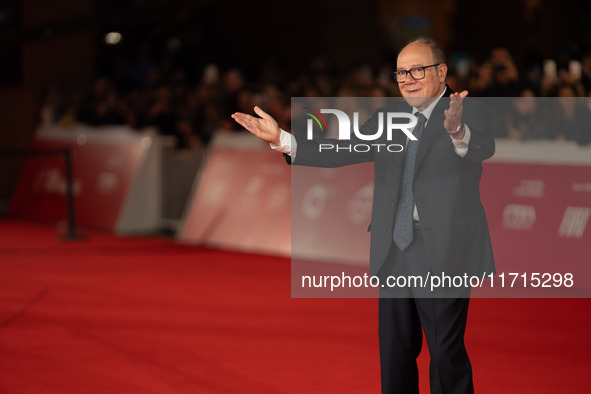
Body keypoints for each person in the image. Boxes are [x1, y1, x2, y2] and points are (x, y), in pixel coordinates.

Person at [232, 38, 495, 394]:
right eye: (401, 72)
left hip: (443, 249)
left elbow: (481, 147)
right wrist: (283, 139)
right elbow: (342, 149)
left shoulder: (466, 111)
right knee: (394, 353)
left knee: (445, 355)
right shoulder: (389, 117)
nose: (407, 79)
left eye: (417, 69)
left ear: (441, 71)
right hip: (394, 250)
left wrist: (457, 132)